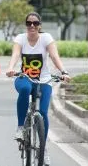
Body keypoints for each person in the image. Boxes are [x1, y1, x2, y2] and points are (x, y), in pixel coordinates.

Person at [6, 12, 70, 165]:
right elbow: (15, 55)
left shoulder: (46, 38)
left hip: (44, 80)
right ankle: (21, 128)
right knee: (25, 90)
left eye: (35, 23)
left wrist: (63, 72)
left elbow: (54, 56)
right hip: (24, 77)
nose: (32, 26)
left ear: (40, 25)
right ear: (26, 25)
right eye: (29, 23)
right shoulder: (20, 39)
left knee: (43, 112)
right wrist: (10, 68)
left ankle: (43, 149)